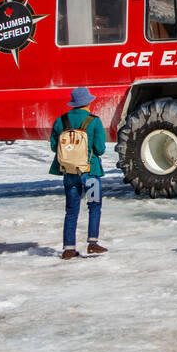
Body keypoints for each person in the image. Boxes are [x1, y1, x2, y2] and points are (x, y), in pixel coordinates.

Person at [48, 87, 109, 260]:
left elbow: (54, 147)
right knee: (94, 206)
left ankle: (68, 249)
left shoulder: (61, 120)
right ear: (88, 102)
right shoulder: (94, 121)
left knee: (71, 210)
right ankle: (92, 243)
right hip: (91, 172)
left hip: (69, 173)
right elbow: (100, 149)